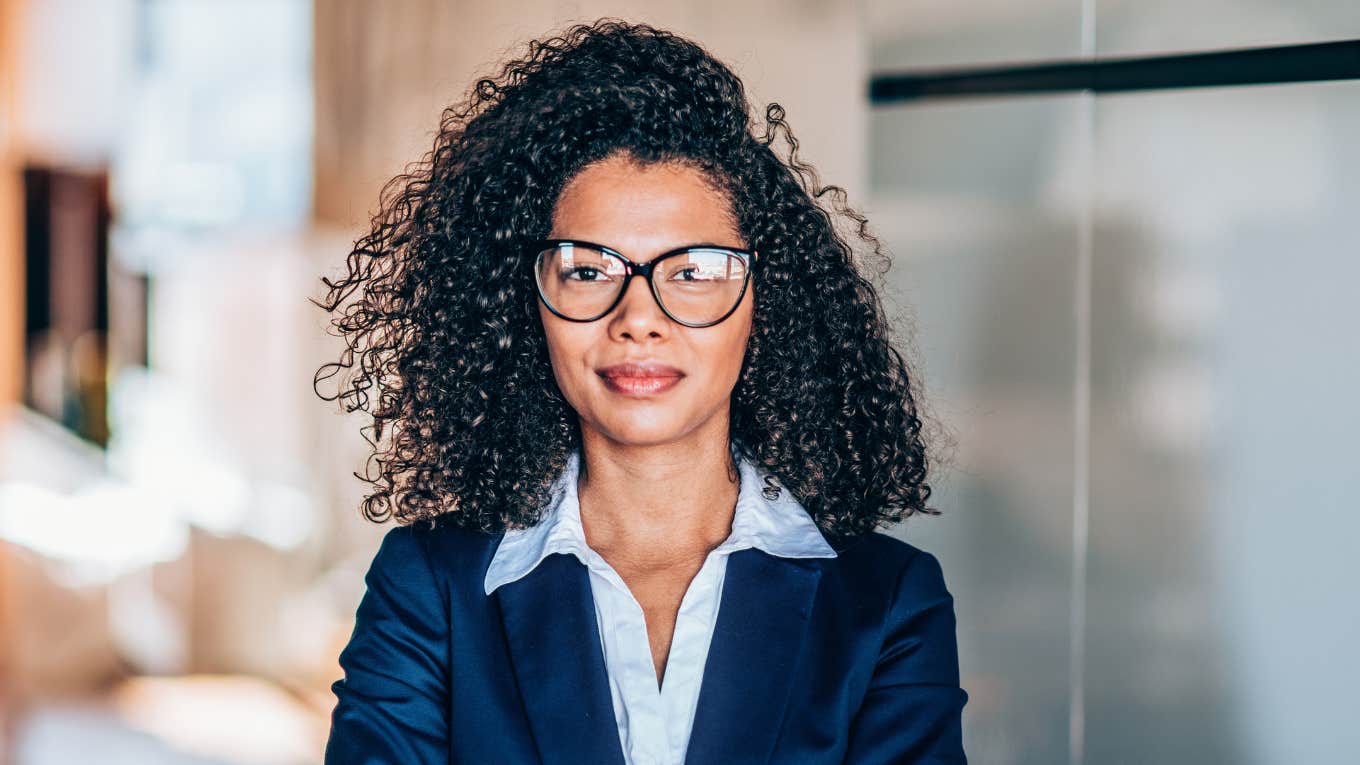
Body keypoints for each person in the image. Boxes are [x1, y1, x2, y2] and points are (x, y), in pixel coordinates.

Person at [313, 18, 968, 765]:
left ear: (766, 300)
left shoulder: (885, 603)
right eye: (589, 270)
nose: (639, 320)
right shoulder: (431, 586)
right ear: (526, 301)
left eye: (692, 272)